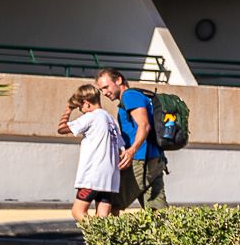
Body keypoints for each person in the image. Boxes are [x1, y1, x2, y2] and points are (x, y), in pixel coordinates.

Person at [96, 68, 168, 210]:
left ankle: (107, 233)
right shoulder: (136, 96)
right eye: (101, 90)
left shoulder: (130, 96)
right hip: (154, 158)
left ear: (118, 80)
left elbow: (144, 125)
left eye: (106, 87)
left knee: (110, 205)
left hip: (140, 159)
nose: (104, 93)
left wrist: (131, 151)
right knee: (157, 211)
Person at [58, 83, 122, 222]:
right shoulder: (111, 120)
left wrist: (68, 109)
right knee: (103, 218)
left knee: (78, 211)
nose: (81, 110)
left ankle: (95, 235)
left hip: (93, 174)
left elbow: (62, 128)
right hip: (110, 176)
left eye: (80, 107)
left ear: (86, 103)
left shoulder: (91, 117)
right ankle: (102, 242)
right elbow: (120, 148)